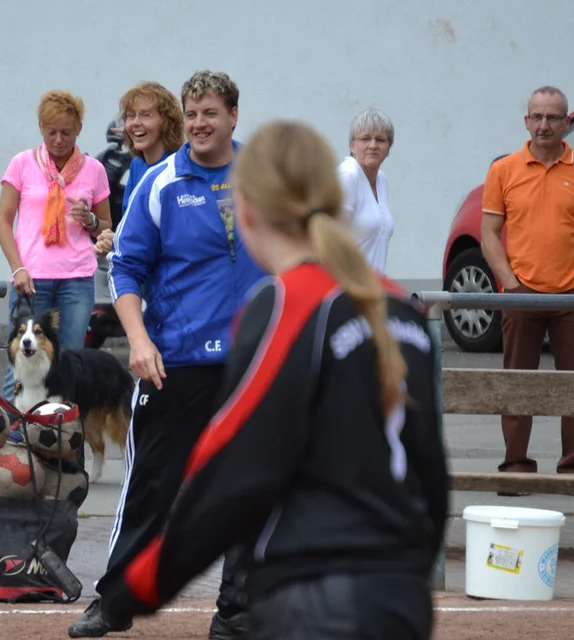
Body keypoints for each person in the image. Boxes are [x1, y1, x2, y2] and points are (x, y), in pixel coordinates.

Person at [94, 119, 449, 640]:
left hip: (312, 593)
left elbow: (232, 471)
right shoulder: (402, 308)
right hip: (399, 596)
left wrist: (139, 588)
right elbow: (431, 475)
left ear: (248, 208)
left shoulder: (285, 304)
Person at [68, 70, 266, 640]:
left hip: (252, 362)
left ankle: (236, 615)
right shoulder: (159, 182)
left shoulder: (263, 176)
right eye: (193, 114)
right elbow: (125, 267)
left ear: (233, 116)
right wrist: (138, 339)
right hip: (173, 361)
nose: (202, 124)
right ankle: (115, 602)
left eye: (212, 113)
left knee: (250, 487)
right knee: (153, 489)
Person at [481, 85, 574, 488]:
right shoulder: (504, 170)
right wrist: (510, 283)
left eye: (553, 117)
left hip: (573, 296)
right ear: (526, 121)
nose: (544, 125)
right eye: (536, 116)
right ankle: (516, 468)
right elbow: (488, 234)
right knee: (517, 384)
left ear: (567, 123)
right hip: (521, 294)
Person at [0, 89, 112, 401]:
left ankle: (65, 439)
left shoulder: (94, 170)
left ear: (79, 130)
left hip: (77, 278)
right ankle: (14, 437)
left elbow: (107, 227)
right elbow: (4, 223)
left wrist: (89, 220)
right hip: (32, 280)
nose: (59, 140)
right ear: (41, 129)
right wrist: (17, 267)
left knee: (70, 360)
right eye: (52, 133)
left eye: (67, 133)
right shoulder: (21, 164)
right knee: (22, 360)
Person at [92, 81, 184, 256]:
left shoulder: (178, 169)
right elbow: (130, 226)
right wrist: (113, 240)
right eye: (130, 115)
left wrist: (122, 242)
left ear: (166, 122)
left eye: (145, 115)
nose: (135, 123)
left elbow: (171, 237)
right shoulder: (137, 165)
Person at [337, 107, 396, 273]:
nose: (373, 145)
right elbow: (329, 238)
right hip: (347, 287)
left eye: (380, 140)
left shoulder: (381, 180)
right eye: (365, 139)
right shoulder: (348, 176)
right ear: (352, 145)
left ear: (389, 146)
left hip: (374, 287)